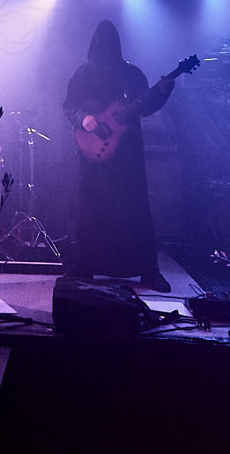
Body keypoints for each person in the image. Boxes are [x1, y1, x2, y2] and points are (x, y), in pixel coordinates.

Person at [63, 20, 175, 292]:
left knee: (135, 210)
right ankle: (85, 266)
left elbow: (145, 107)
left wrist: (162, 92)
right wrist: (84, 118)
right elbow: (69, 106)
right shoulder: (82, 74)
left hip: (127, 156)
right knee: (91, 209)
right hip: (94, 156)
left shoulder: (132, 74)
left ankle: (148, 271)